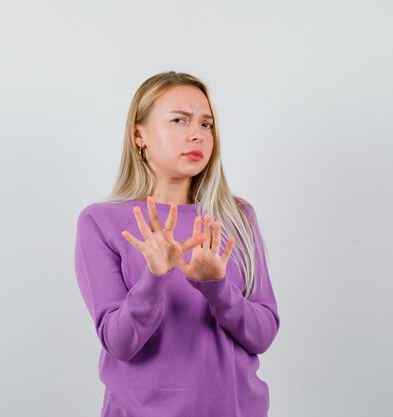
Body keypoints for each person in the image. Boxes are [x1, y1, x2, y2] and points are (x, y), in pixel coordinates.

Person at [74, 71, 280, 417]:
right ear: (139, 135)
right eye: (179, 121)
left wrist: (217, 289)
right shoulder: (100, 221)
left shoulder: (237, 216)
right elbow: (119, 343)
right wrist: (155, 275)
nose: (196, 135)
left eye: (206, 124)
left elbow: (263, 335)